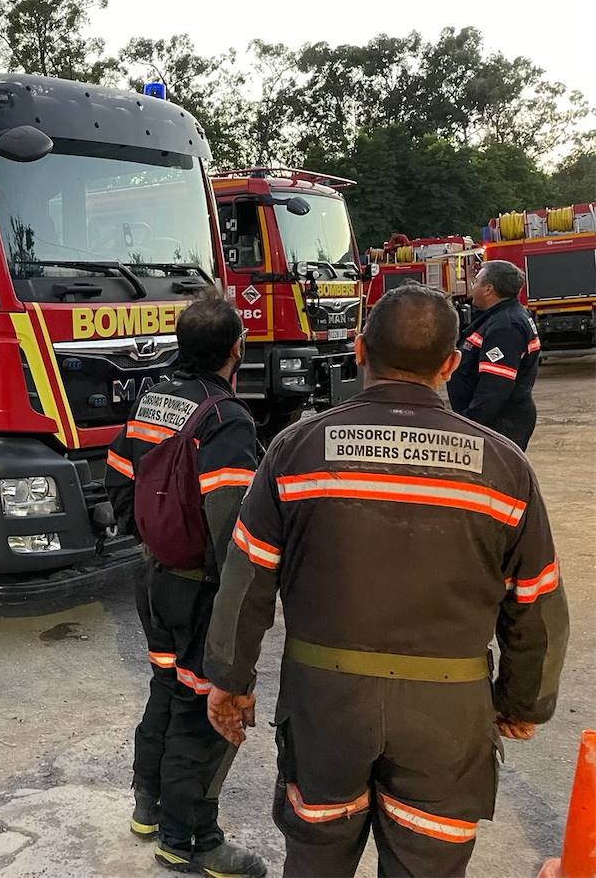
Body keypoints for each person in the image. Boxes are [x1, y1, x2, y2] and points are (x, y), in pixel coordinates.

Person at [204, 283, 569, 878]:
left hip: (325, 709)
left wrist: (230, 679)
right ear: (452, 364)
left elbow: (246, 581)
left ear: (357, 349)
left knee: (317, 857)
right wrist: (522, 700)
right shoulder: (506, 468)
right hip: (447, 719)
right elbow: (537, 606)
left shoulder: (295, 449)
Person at [106, 292, 266, 878]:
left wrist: (147, 537)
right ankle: (189, 840)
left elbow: (119, 472)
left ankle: (148, 808)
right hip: (201, 590)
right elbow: (231, 522)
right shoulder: (226, 419)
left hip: (156, 582)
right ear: (235, 350)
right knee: (203, 709)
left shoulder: (156, 396)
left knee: (166, 688)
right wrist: (236, 606)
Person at [448, 259, 541, 448]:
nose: (473, 287)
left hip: (498, 424)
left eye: (477, 282)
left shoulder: (505, 326)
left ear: (489, 289)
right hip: (496, 421)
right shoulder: (501, 317)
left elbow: (495, 387)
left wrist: (470, 424)